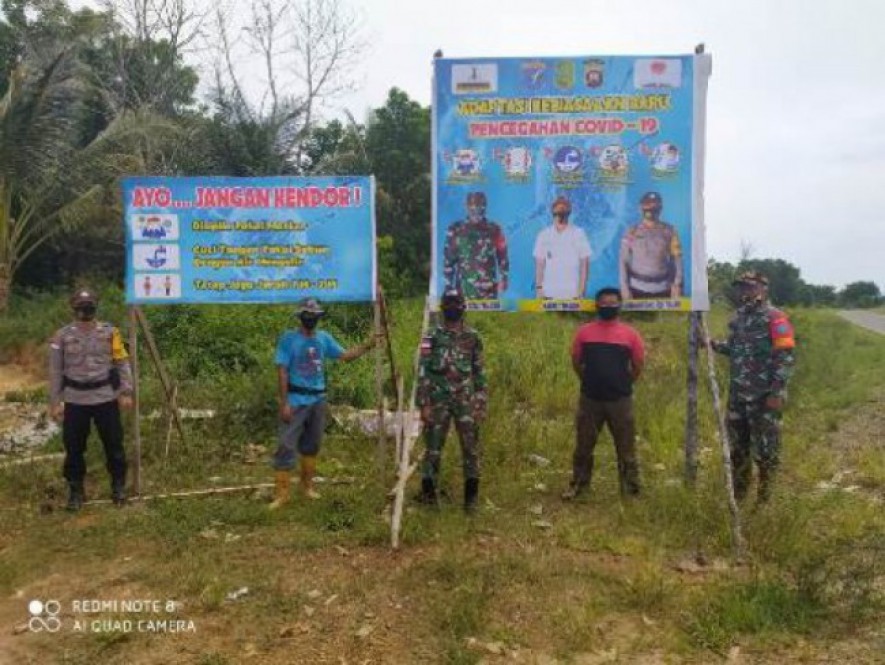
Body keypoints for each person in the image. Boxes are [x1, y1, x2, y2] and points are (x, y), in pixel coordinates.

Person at [269, 298, 377, 508]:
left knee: (312, 444)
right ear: (301, 317)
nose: (311, 320)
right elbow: (282, 371)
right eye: (307, 316)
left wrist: (368, 345)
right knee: (285, 444)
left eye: (314, 316)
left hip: (317, 399)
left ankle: (307, 487)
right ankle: (281, 494)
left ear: (319, 318)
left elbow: (345, 355)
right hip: (295, 399)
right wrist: (284, 403)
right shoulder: (288, 340)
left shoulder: (324, 339)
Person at [711, 271, 796, 503]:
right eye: (741, 288)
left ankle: (764, 499)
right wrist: (711, 344)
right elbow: (734, 348)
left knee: (766, 451)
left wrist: (777, 392)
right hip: (739, 396)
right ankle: (739, 496)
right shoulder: (738, 318)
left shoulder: (776, 317)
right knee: (738, 449)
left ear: (763, 288)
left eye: (750, 287)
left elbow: (785, 356)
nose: (745, 292)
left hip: (764, 397)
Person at [49, 288, 133, 511]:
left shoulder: (110, 332)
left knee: (114, 446)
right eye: (81, 306)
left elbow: (122, 362)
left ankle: (118, 487)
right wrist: (55, 402)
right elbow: (56, 371)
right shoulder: (62, 336)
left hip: (105, 398)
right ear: (73, 308)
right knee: (74, 449)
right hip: (76, 401)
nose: (85, 311)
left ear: (95, 307)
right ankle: (76, 492)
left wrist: (126, 391)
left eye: (89, 306)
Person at [563, 287, 645, 500]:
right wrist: (588, 380)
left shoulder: (631, 334)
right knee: (583, 447)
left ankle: (630, 491)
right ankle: (579, 487)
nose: (608, 306)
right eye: (604, 303)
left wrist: (622, 383)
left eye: (612, 303)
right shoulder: (584, 332)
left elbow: (637, 366)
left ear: (619, 306)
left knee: (626, 447)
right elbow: (576, 362)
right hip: (590, 400)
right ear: (597, 305)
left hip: (620, 401)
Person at [416, 290, 488, 513]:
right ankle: (428, 496)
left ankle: (471, 500)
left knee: (470, 448)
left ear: (464, 306)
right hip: (437, 400)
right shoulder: (430, 336)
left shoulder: (473, 337)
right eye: (448, 303)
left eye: (456, 303)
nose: (452, 307)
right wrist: (424, 403)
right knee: (433, 448)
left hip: (465, 400)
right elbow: (422, 369)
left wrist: (481, 402)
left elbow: (479, 371)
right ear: (442, 306)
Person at [443, 191, 509, 300]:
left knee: (488, 317)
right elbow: (448, 262)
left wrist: (504, 277)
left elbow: (502, 255)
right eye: (473, 209)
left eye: (480, 209)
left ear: (485, 208)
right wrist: (448, 287)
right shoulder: (456, 230)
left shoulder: (494, 229)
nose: (476, 213)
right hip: (464, 291)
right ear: (467, 208)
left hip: (488, 291)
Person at [619, 192, 683, 300]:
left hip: (664, 289)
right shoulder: (631, 232)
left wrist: (677, 284)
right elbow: (623, 261)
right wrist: (624, 288)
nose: (651, 208)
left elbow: (677, 259)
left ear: (660, 208)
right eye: (647, 204)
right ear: (641, 207)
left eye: (655, 205)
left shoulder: (670, 231)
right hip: (636, 289)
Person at [533, 196, 592, 299]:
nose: (560, 214)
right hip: (549, 294)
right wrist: (539, 290)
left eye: (563, 211)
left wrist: (582, 290)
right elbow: (539, 266)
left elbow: (584, 265)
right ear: (552, 213)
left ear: (569, 213)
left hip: (573, 294)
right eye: (557, 211)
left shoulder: (579, 233)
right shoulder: (543, 235)